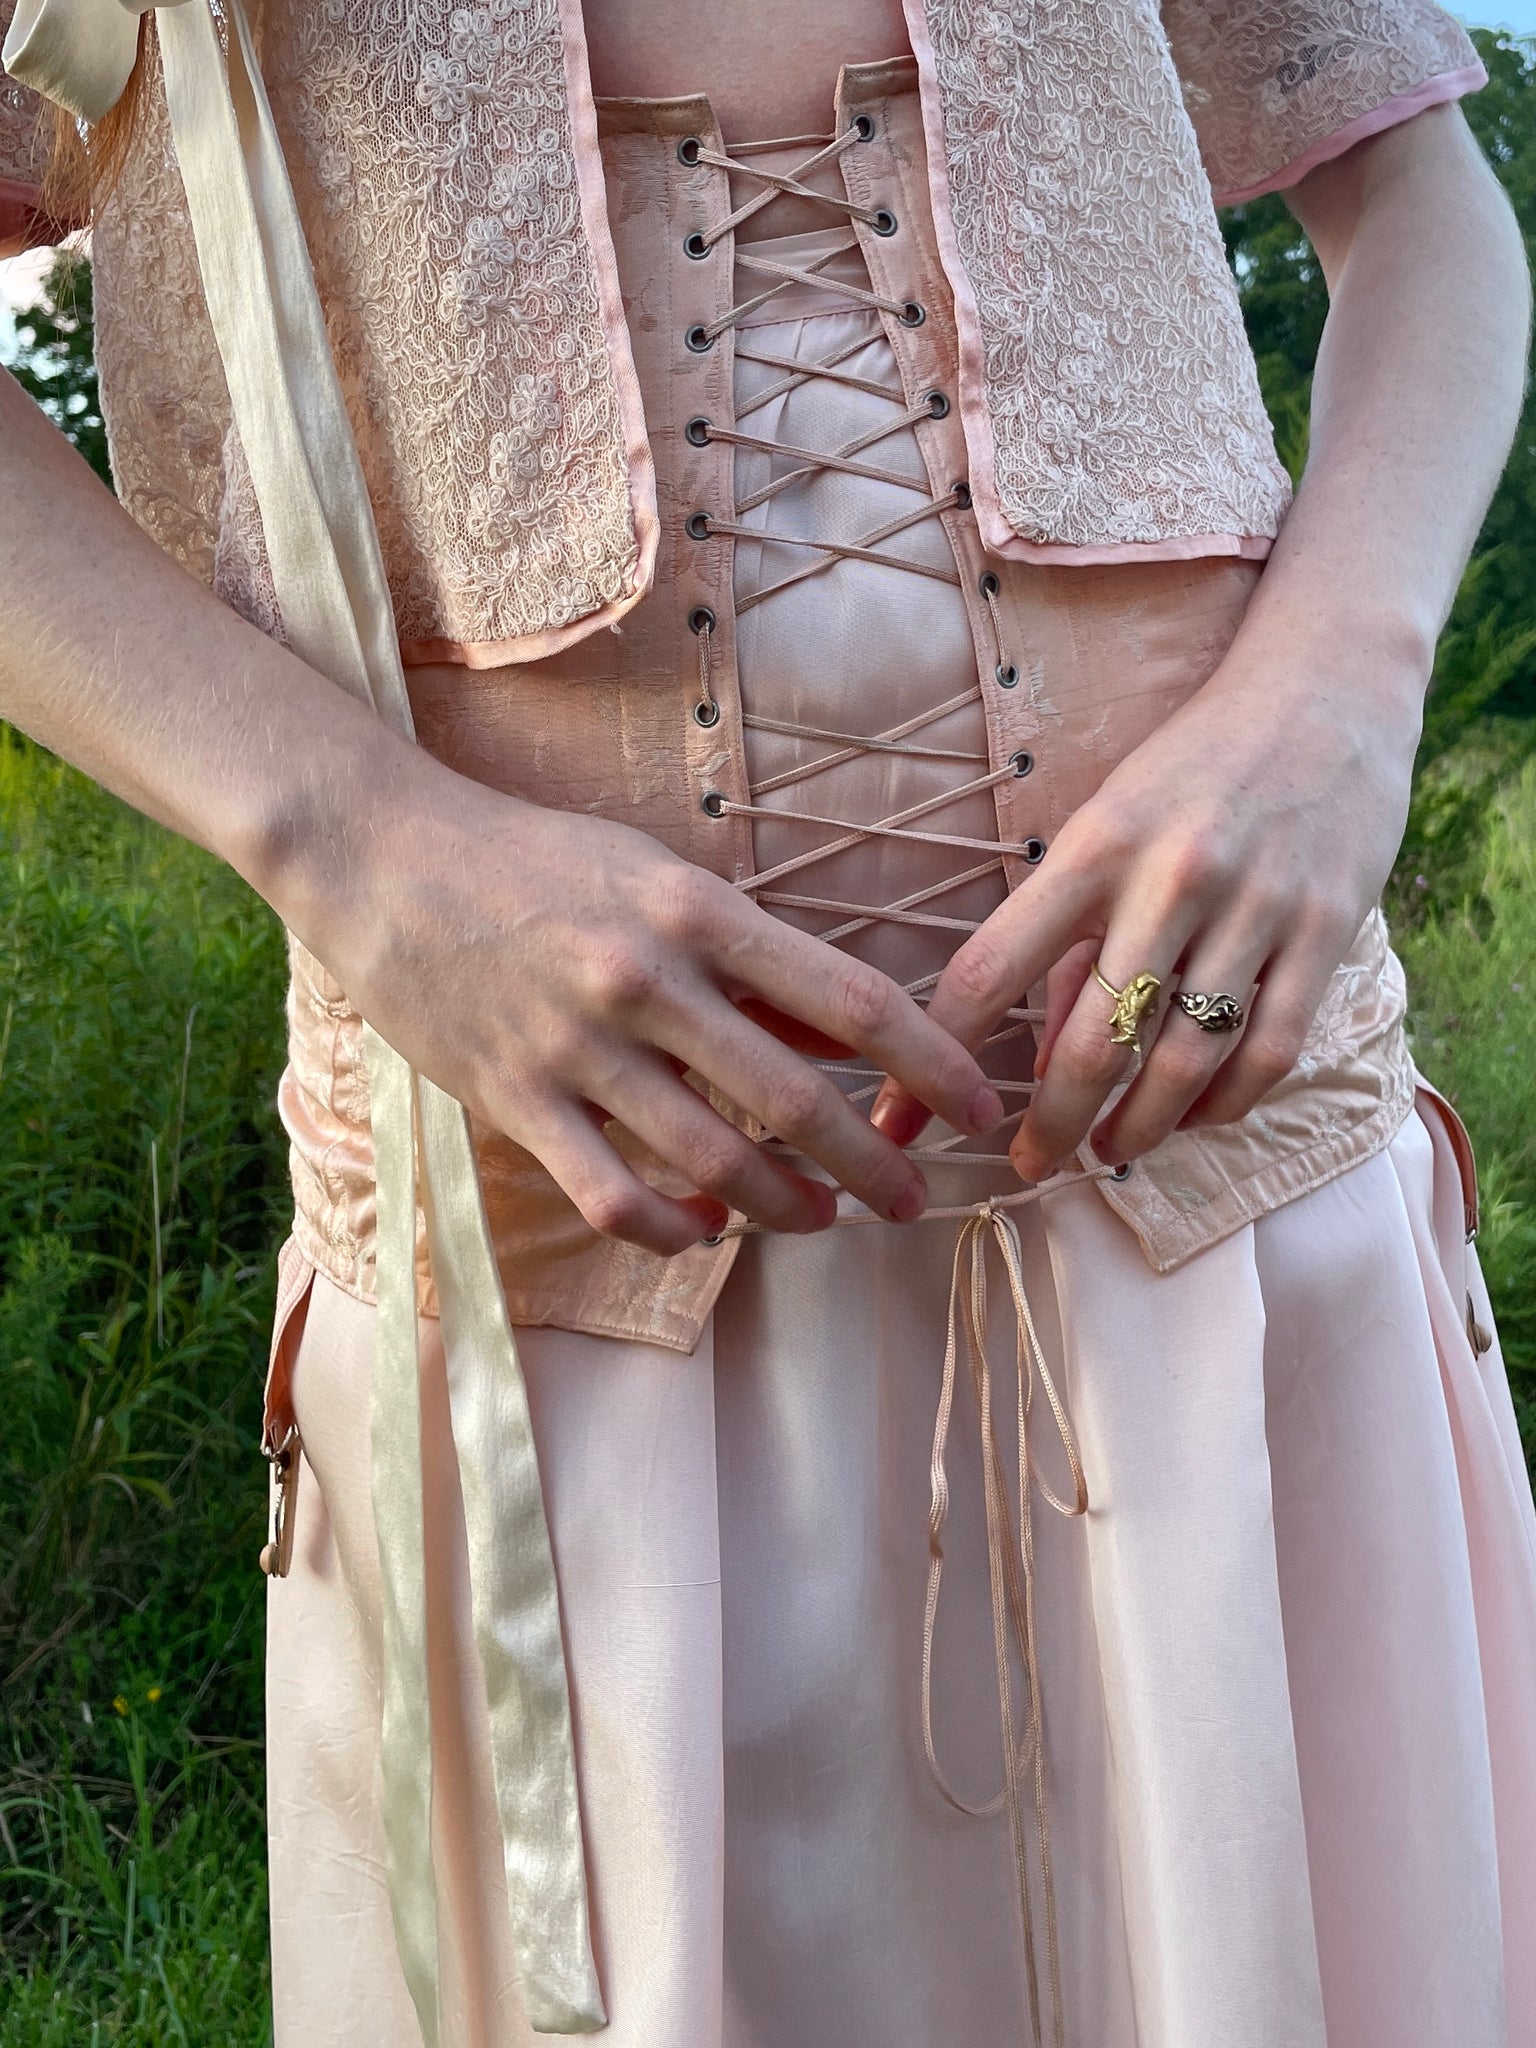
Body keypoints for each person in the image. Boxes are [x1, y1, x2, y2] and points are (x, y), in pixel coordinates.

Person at [2, 1, 1534, 2043]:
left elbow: (1421, 194)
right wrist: (355, 844)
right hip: (559, 1301)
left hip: (1233, 1241)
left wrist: (1345, 680)